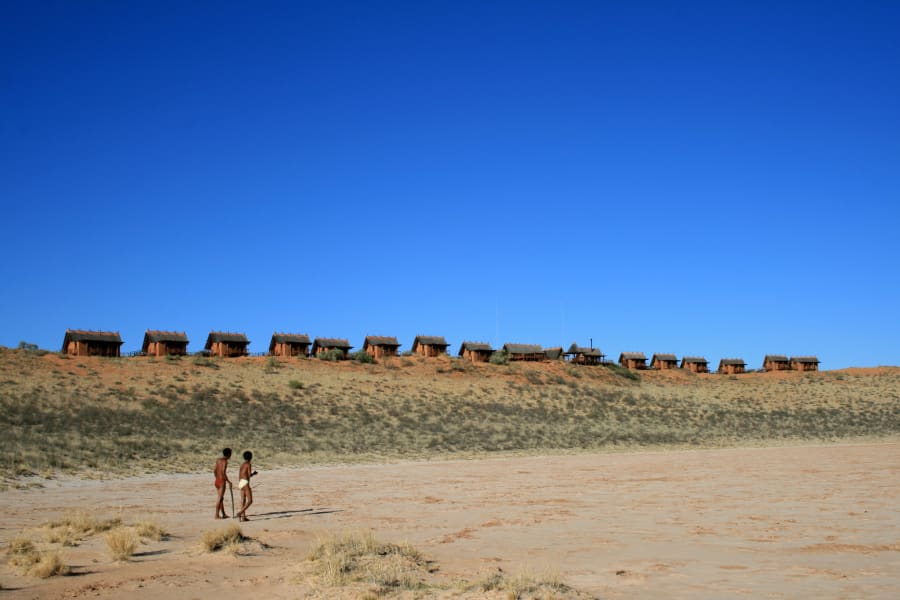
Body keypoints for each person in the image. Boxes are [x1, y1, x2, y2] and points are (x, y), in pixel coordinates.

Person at [236, 450, 258, 522]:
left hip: (240, 482)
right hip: (245, 482)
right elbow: (249, 475)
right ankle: (240, 513)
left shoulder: (242, 464)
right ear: (251, 457)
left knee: (243, 500)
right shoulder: (248, 464)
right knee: (250, 501)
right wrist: (253, 474)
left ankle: (243, 517)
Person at [214, 448, 233, 519]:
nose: (231, 455)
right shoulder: (225, 461)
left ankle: (224, 514)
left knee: (221, 498)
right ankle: (216, 515)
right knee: (219, 498)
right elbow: (223, 472)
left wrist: (217, 478)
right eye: (230, 454)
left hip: (217, 481)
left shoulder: (218, 460)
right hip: (222, 481)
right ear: (228, 454)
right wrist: (228, 481)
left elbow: (215, 470)